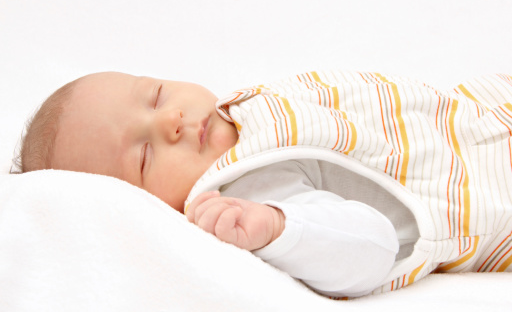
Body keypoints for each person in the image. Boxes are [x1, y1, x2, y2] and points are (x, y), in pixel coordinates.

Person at [16, 70, 512, 298]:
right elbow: (371, 246)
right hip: (491, 190)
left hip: (482, 107)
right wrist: (281, 228)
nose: (170, 121)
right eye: (146, 154)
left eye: (155, 95)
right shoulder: (245, 191)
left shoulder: (246, 112)